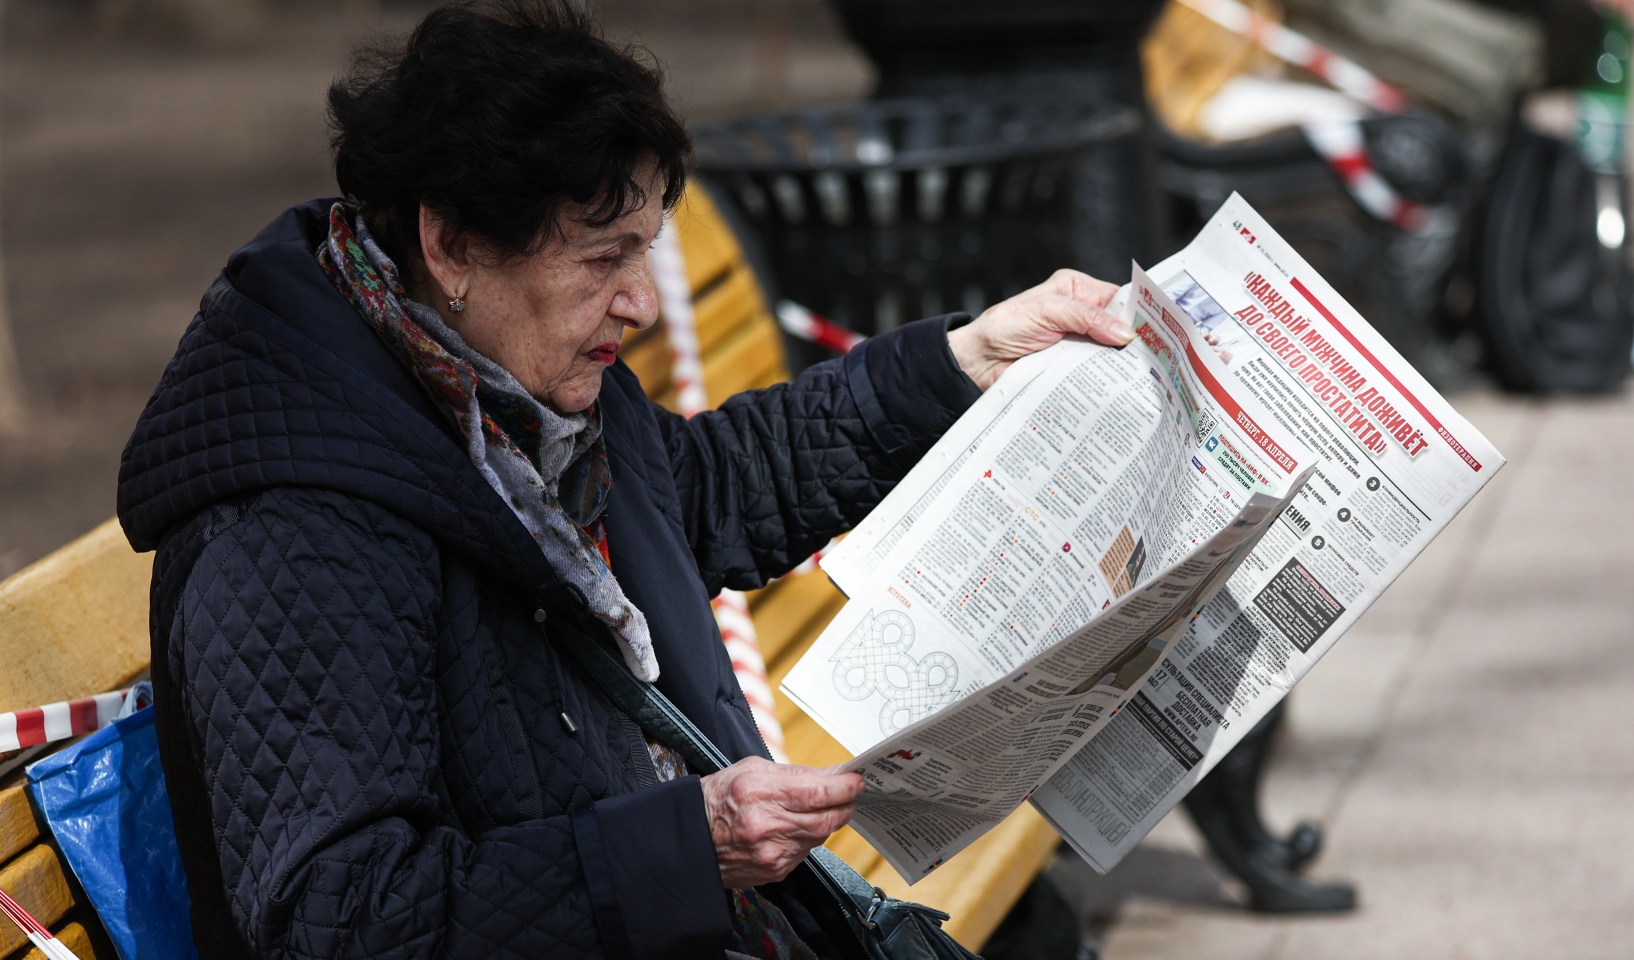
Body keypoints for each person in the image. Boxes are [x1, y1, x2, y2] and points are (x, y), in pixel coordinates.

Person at [115, 2, 1132, 957]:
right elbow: (336, 918)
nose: (640, 302)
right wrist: (687, 851)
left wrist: (962, 366)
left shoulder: (507, 394)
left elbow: (709, 485)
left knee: (1033, 927)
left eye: (644, 252)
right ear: (452, 243)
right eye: (604, 258)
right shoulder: (298, 524)